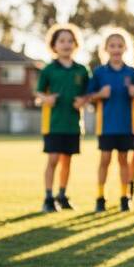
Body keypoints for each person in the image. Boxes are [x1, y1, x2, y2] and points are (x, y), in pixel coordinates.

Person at [88, 29, 134, 212]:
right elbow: (89, 97)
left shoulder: (132, 72)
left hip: (126, 125)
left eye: (120, 45)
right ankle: (100, 197)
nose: (116, 49)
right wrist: (99, 94)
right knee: (104, 160)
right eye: (112, 45)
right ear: (106, 48)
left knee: (123, 161)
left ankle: (124, 196)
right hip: (106, 126)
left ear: (125, 48)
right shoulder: (100, 72)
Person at [35, 24, 89, 213]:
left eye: (70, 40)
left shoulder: (82, 70)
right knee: (53, 159)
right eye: (62, 41)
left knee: (68, 160)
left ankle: (62, 195)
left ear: (75, 44)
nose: (66, 44)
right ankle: (48, 197)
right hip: (54, 124)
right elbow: (38, 93)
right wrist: (46, 99)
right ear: (54, 45)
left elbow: (88, 95)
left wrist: (83, 101)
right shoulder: (49, 69)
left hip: (73, 125)